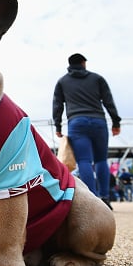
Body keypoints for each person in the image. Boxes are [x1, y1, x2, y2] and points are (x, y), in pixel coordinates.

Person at [52, 53, 121, 210]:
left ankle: (93, 199)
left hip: (76, 122)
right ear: (83, 63)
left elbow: (57, 105)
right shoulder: (97, 78)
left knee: (84, 161)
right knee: (101, 160)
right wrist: (116, 121)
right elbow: (108, 101)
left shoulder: (62, 81)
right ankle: (105, 197)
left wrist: (58, 126)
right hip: (98, 121)